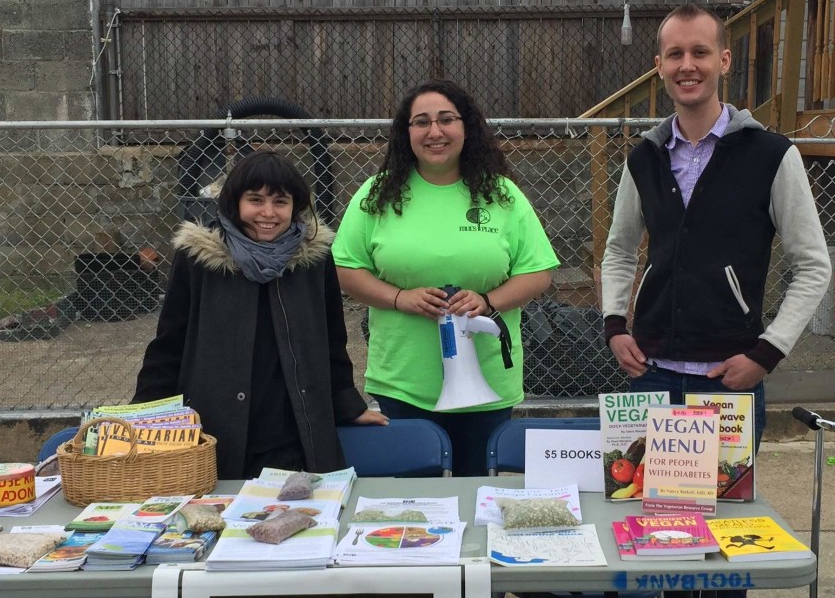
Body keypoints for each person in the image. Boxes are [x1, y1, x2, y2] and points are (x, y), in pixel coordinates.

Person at [600, 4, 832, 598]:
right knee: (664, 544)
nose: (687, 66)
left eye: (701, 52)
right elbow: (617, 249)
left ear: (725, 62)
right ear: (660, 66)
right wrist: (615, 325)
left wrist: (767, 351)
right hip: (660, 380)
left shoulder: (771, 154)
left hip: (728, 390)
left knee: (723, 552)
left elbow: (812, 264)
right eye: (674, 55)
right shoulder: (645, 156)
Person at [332, 79, 559, 476]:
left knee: (474, 501)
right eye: (421, 122)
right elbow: (344, 269)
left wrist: (488, 302)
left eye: (446, 120)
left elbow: (538, 271)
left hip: (487, 385)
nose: (434, 132)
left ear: (466, 127)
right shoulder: (377, 194)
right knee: (409, 506)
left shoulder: (502, 195)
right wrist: (401, 298)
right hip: (404, 382)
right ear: (407, 134)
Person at [131, 150, 387, 480]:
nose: (268, 213)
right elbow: (169, 344)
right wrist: (143, 415)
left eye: (280, 202)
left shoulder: (314, 260)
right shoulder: (197, 259)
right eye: (255, 200)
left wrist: (348, 406)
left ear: (295, 207)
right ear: (234, 203)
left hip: (294, 434)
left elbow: (332, 343)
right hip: (216, 432)